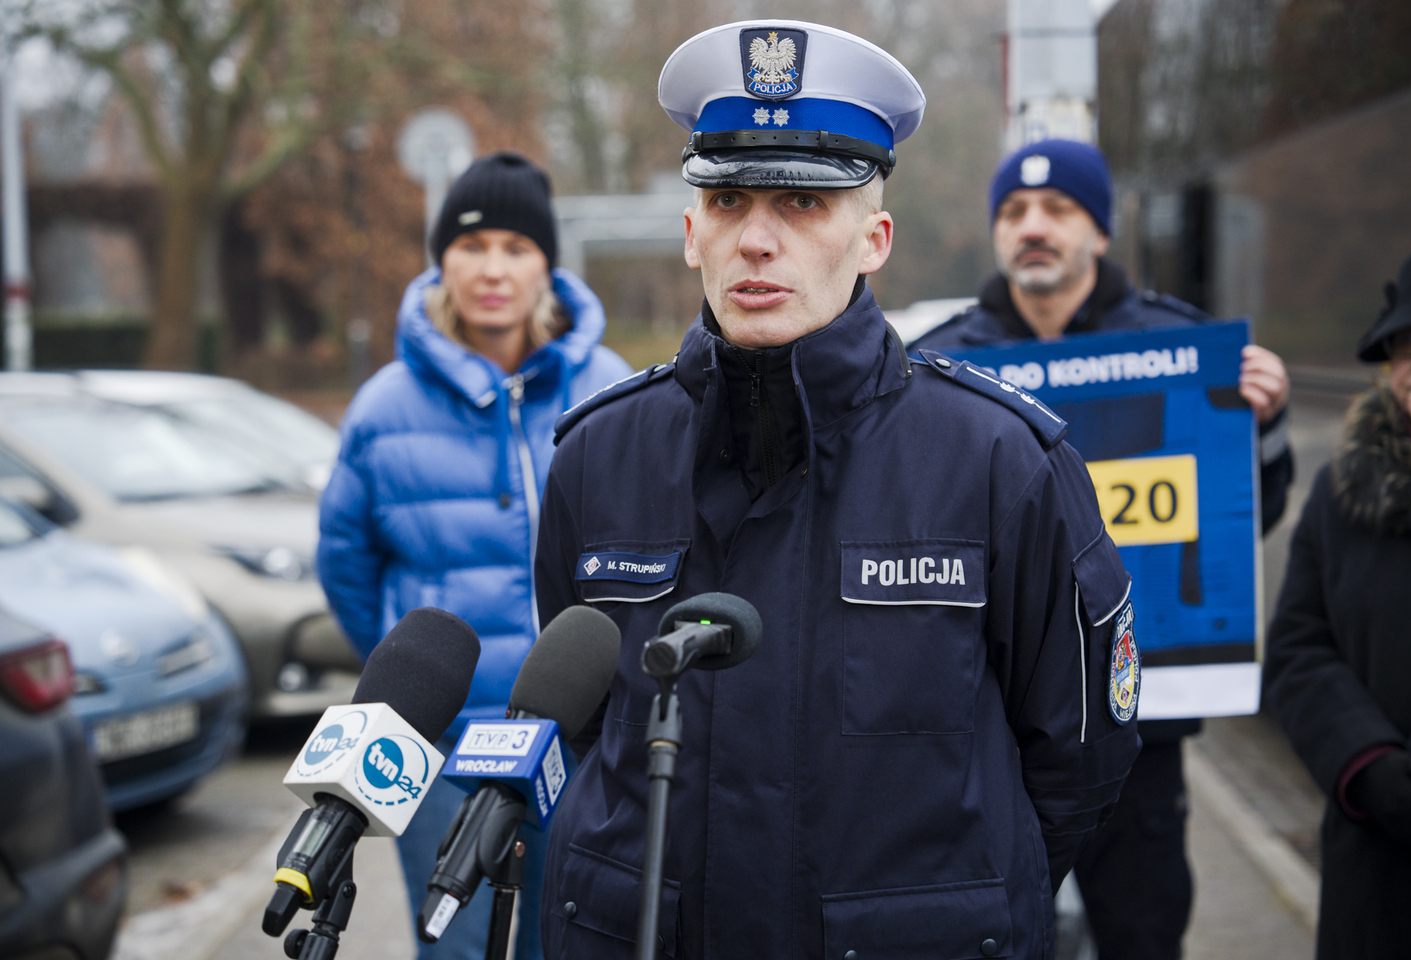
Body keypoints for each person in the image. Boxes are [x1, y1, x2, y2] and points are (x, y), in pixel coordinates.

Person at [532, 21, 1141, 959]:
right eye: (727, 200)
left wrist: (952, 904)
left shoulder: (998, 460)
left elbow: (1079, 755)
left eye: (804, 202)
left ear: (873, 240)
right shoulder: (598, 456)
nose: (757, 240)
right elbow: (590, 725)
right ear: (691, 235)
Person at [910, 138, 1296, 960]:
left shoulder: (1185, 348)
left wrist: (1260, 430)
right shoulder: (939, 363)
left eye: (1058, 209)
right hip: (986, 729)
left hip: (1140, 726)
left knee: (1142, 931)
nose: (1033, 226)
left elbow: (1239, 523)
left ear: (1102, 231)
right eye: (1015, 211)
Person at [315, 151, 631, 960]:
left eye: (516, 248)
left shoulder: (609, 388)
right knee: (451, 945)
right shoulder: (384, 407)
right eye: (471, 245)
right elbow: (347, 566)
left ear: (546, 266)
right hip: (439, 756)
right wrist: (423, 681)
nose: (493, 269)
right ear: (442, 262)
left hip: (575, 745)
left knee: (568, 941)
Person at [1263, 242, 1411, 959]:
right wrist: (1368, 765)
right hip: (1373, 856)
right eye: (1408, 342)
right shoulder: (1341, 494)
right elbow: (1298, 646)